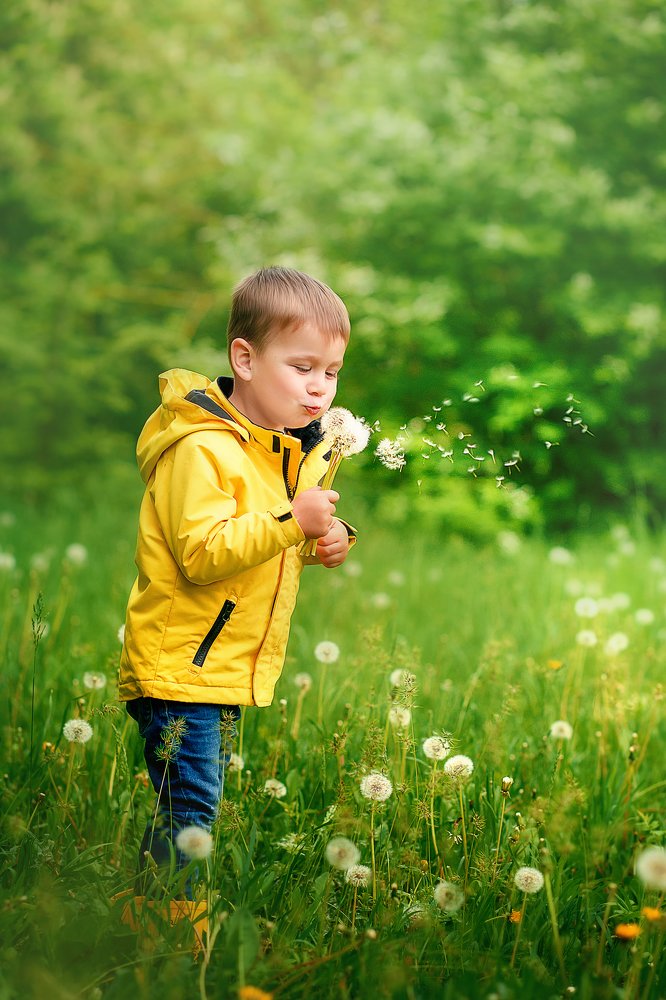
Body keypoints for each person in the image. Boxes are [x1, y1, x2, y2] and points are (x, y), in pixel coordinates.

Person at [118, 266, 355, 898]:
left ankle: (147, 918)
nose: (320, 388)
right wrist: (291, 521)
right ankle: (167, 934)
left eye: (331, 372)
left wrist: (323, 538)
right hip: (179, 665)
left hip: (219, 666)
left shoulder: (285, 448)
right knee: (191, 811)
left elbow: (267, 544)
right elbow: (204, 552)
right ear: (244, 358)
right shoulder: (199, 448)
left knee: (191, 806)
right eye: (302, 367)